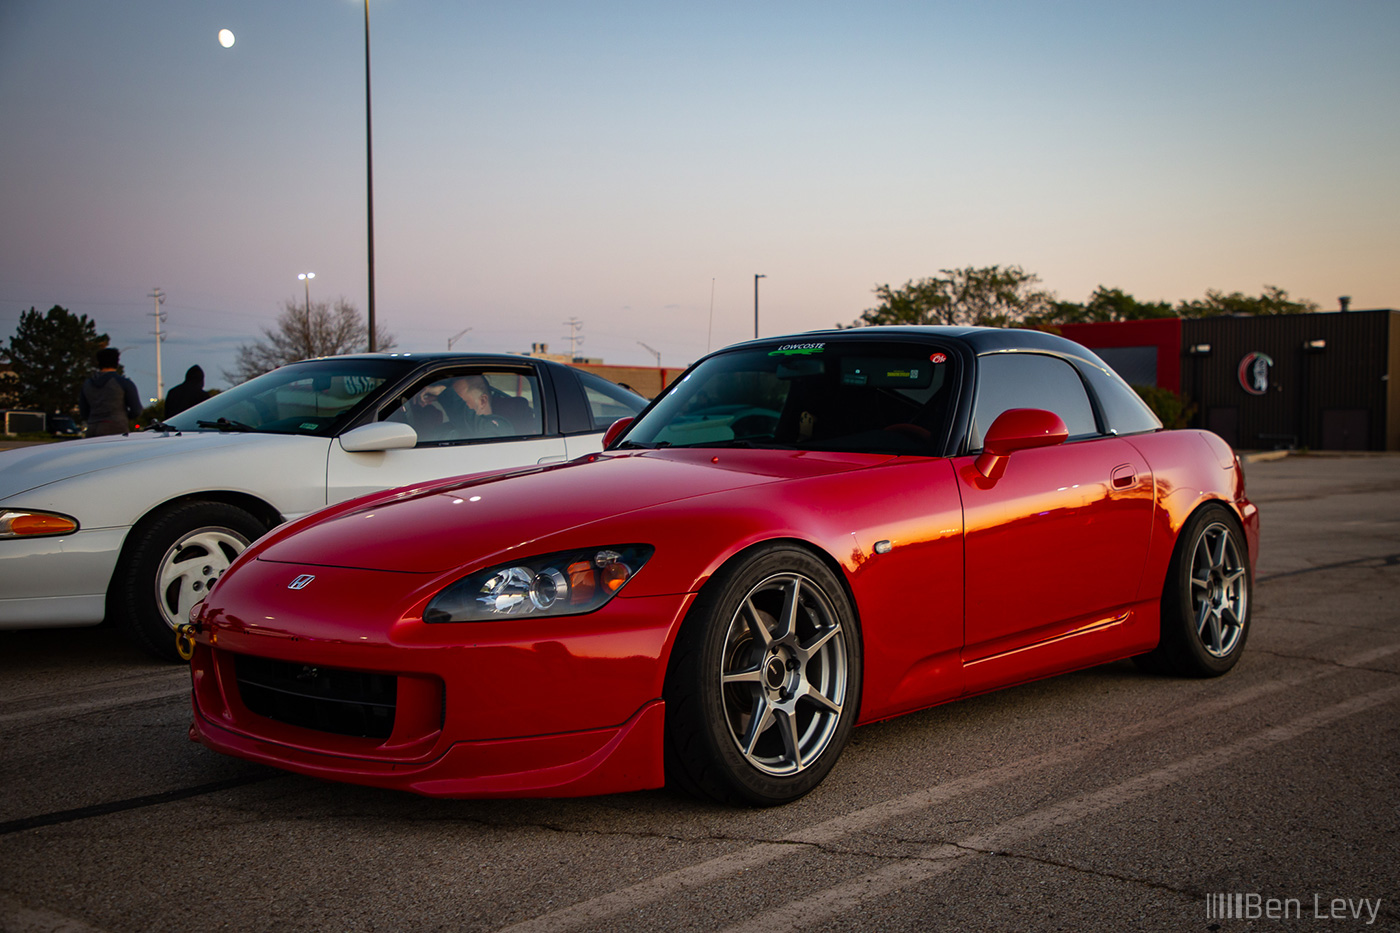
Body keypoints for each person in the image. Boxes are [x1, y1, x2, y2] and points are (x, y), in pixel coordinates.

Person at [79, 347, 142, 437]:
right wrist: (123, 417)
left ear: (98, 362)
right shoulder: (123, 383)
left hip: (92, 428)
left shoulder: (87, 384)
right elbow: (136, 410)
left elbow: (84, 412)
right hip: (116, 428)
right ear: (117, 362)